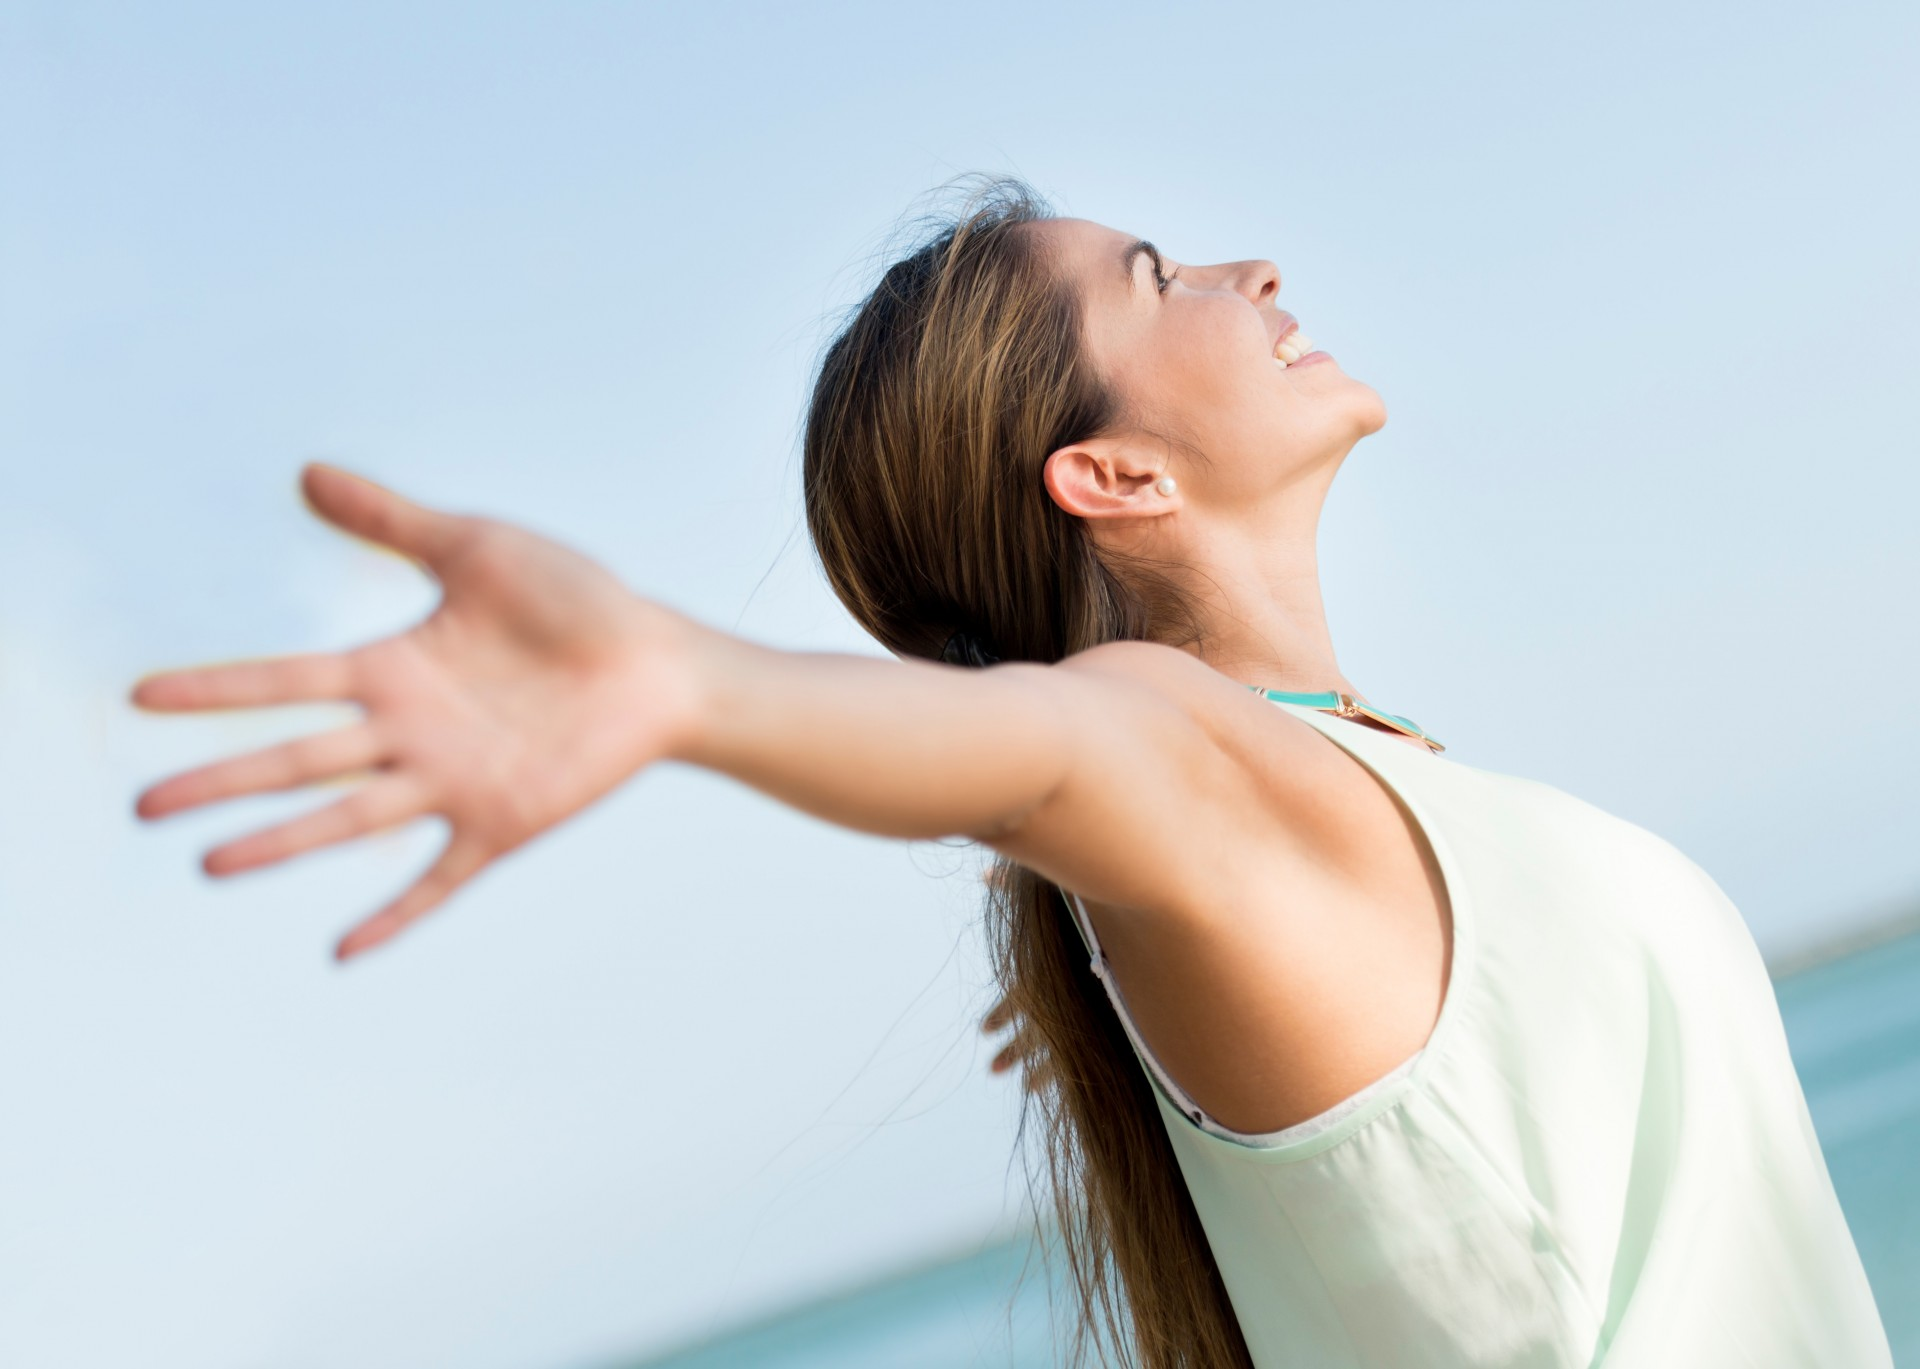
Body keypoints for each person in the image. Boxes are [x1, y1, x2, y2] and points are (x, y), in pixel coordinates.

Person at [128, 177, 1893, 1368]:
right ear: (1109, 476)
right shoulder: (1176, 749)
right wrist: (682, 679)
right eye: (1159, 281)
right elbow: (1043, 756)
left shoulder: (1304, 800)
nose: (1250, 271)